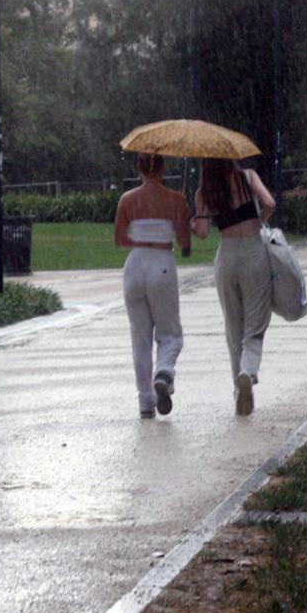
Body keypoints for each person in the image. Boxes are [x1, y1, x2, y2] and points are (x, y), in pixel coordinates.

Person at [191, 158, 276, 416]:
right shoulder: (247, 177)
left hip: (226, 258)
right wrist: (258, 221)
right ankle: (248, 372)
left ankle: (239, 392)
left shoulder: (204, 191)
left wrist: (194, 226)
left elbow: (204, 232)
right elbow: (270, 203)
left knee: (233, 327)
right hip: (253, 253)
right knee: (256, 323)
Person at [114, 153, 192, 419]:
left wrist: (142, 237)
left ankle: (145, 401)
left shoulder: (127, 199)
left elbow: (119, 239)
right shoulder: (175, 199)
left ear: (139, 168)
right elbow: (184, 242)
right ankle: (165, 371)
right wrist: (182, 216)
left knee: (140, 338)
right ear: (163, 168)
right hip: (162, 264)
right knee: (170, 333)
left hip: (134, 266)